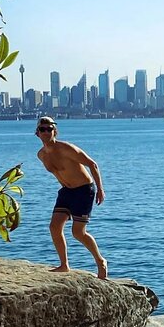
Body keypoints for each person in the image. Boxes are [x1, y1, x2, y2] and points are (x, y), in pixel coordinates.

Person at [35, 116, 108, 279]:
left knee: (78, 232)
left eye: (49, 129)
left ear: (55, 131)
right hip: (66, 192)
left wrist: (100, 190)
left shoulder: (66, 148)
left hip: (83, 190)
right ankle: (64, 265)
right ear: (37, 133)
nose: (46, 132)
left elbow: (92, 164)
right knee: (54, 227)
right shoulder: (41, 155)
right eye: (42, 129)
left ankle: (100, 261)